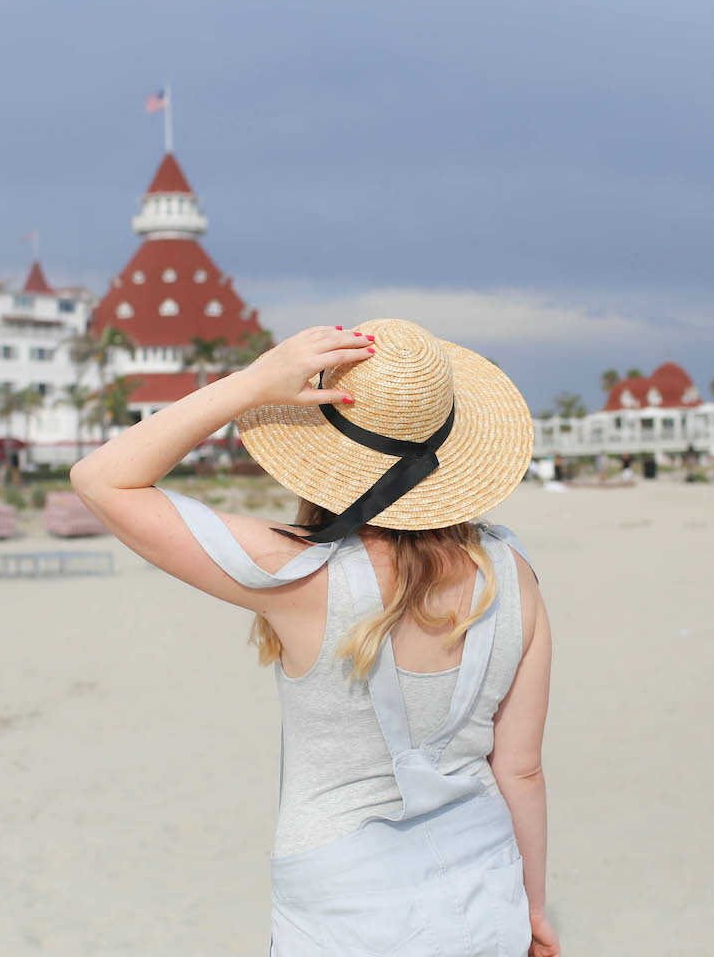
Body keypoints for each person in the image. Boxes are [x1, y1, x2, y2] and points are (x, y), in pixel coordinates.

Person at [70, 320, 559, 956]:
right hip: (485, 884)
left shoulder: (301, 575)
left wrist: (250, 385)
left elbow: (102, 479)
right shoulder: (513, 574)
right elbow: (521, 770)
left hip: (345, 905)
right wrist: (534, 907)